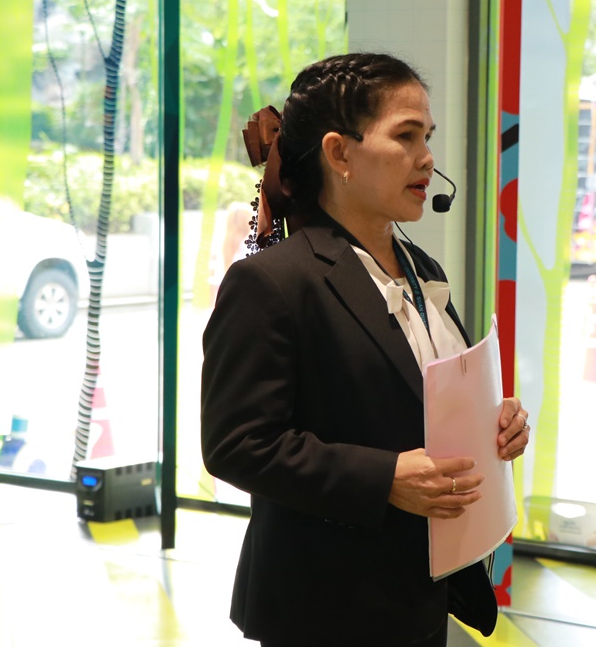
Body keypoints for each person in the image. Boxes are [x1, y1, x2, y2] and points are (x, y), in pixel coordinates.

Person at [200, 52, 530, 647]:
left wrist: (493, 422)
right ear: (339, 154)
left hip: (419, 595)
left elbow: (416, 393)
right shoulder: (272, 283)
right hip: (327, 609)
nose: (427, 158)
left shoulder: (419, 267)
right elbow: (237, 445)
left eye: (427, 137)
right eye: (406, 136)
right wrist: (384, 478)